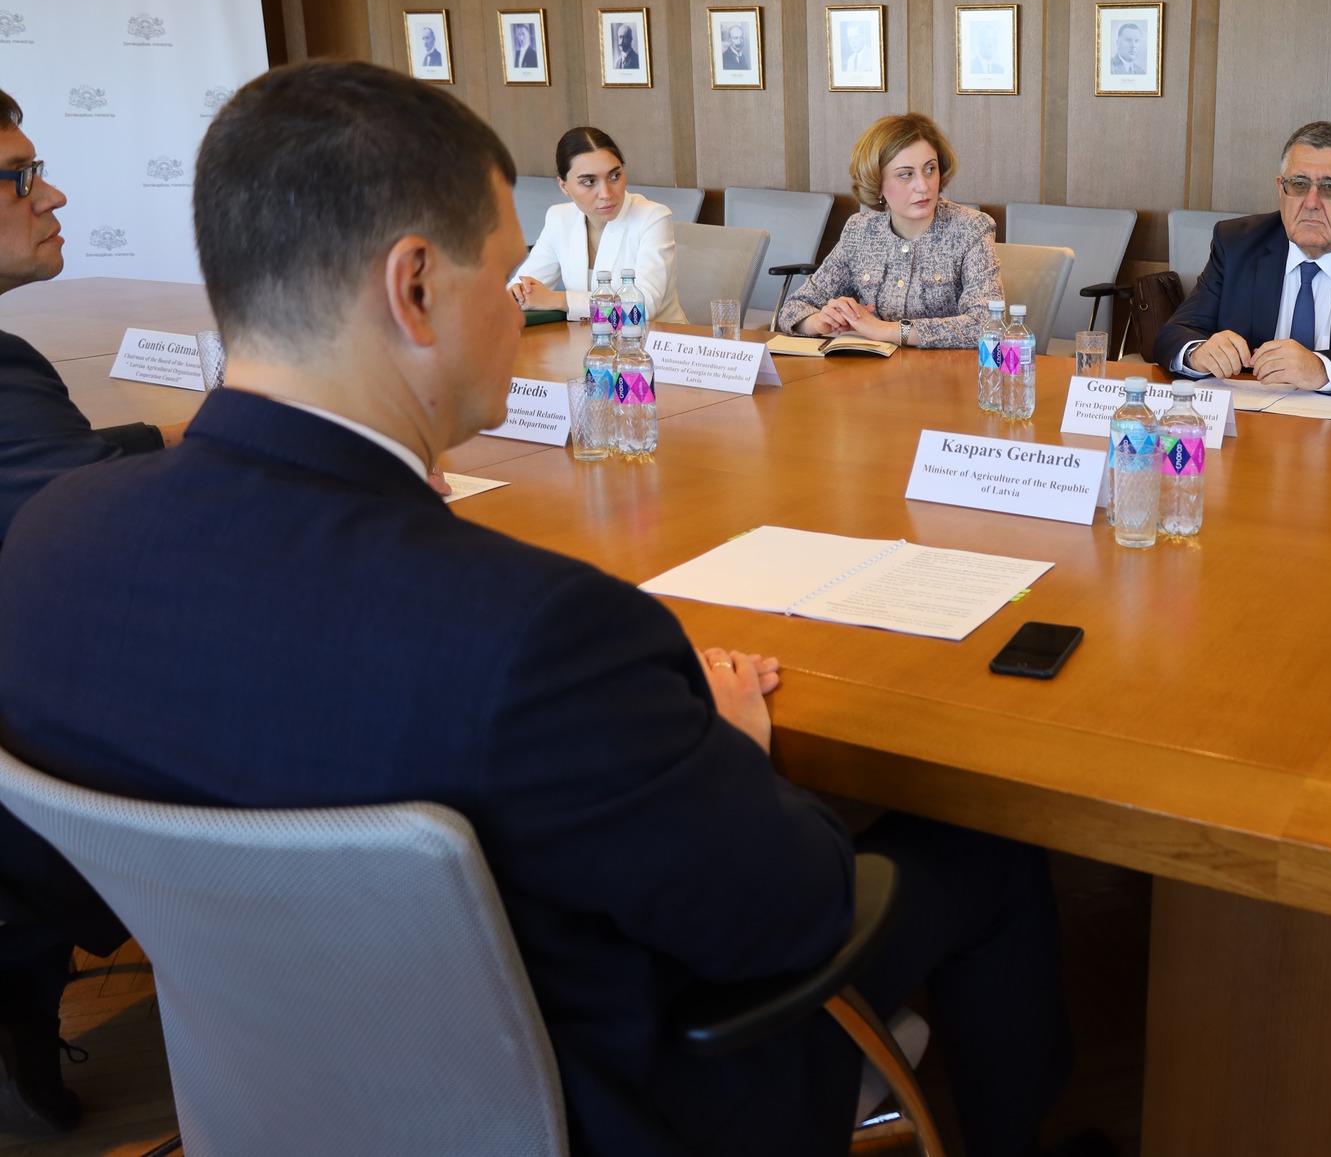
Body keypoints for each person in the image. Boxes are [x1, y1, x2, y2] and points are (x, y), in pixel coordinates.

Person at [0, 61, 1082, 1157]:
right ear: (415, 288)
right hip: (605, 1112)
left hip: (261, 1093)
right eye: (509, 273)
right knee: (985, 849)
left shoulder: (49, 548)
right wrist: (731, 751)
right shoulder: (537, 634)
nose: (524, 306)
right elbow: (790, 914)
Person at [0, 87, 172, 1135]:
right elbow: (114, 539)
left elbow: (50, 469)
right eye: (19, 176)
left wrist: (175, 440)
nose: (52, 194)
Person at [1154, 120, 1331, 394]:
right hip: (1252, 417)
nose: (1311, 203)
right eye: (1299, 185)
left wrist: (1321, 369)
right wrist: (1197, 353)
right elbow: (1174, 333)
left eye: (1330, 187)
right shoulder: (1237, 244)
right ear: (1281, 188)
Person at [777, 113, 1002, 350]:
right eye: (906, 174)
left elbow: (987, 325)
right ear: (877, 184)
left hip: (946, 370)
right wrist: (820, 322)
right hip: (874, 369)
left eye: (930, 169)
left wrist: (885, 330)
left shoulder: (971, 228)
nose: (923, 186)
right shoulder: (859, 231)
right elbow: (793, 308)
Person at [507, 127, 680, 323]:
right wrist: (518, 293)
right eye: (589, 182)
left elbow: (640, 311)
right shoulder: (559, 218)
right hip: (583, 338)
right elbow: (520, 289)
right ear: (564, 186)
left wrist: (559, 300)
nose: (606, 193)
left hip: (654, 339)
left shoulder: (653, 217)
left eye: (614, 176)